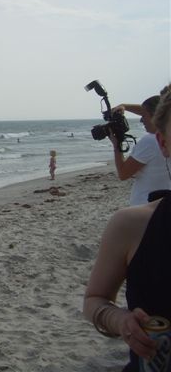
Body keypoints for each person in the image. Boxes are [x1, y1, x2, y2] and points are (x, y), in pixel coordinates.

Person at [83, 86, 171, 371]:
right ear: (164, 142)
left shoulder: (146, 143)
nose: (143, 121)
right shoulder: (131, 225)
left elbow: (122, 173)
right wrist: (121, 320)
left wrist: (116, 146)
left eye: (146, 117)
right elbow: (95, 300)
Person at [111, 95, 170, 205]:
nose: (141, 120)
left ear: (155, 116)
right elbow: (156, 109)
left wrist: (116, 144)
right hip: (163, 202)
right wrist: (124, 106)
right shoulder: (167, 140)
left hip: (145, 205)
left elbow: (123, 174)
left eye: (143, 115)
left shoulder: (150, 141)